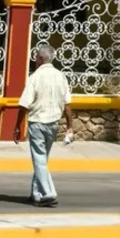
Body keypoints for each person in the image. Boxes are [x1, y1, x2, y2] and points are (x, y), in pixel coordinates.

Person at [14, 43, 74, 207]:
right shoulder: (60, 76)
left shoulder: (35, 77)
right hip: (53, 123)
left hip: (38, 123)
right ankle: (36, 194)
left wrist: (18, 126)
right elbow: (67, 104)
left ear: (40, 59)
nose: (34, 60)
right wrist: (70, 126)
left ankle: (48, 193)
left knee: (39, 159)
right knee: (41, 159)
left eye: (35, 57)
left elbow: (24, 104)